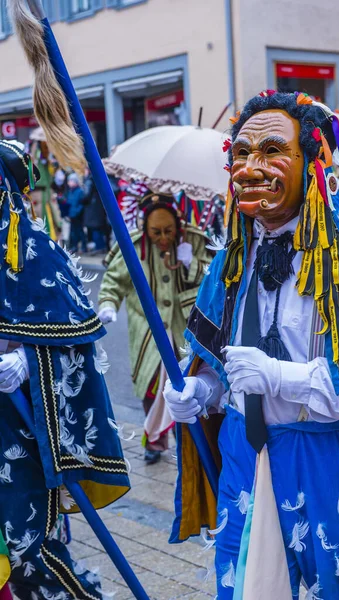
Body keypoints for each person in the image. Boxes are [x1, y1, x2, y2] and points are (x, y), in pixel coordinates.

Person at [164, 91, 339, 599]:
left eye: (272, 151)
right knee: (245, 586)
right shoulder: (228, 262)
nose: (252, 167)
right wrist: (199, 393)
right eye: (242, 152)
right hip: (244, 460)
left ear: (311, 163)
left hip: (329, 464)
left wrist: (283, 378)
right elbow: (215, 368)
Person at [0, 140, 130, 598]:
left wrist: (24, 362)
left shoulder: (36, 250)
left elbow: (76, 342)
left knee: (27, 551)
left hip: (16, 432)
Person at [98, 193, 214, 464]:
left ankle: (188, 442)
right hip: (147, 330)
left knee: (188, 387)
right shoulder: (132, 245)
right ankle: (154, 441)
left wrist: (192, 263)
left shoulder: (196, 239)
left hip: (183, 327)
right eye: (156, 232)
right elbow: (113, 280)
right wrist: (107, 303)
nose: (163, 237)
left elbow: (214, 280)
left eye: (168, 231)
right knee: (152, 388)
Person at [82, 168, 108, 253]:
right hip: (98, 207)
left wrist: (81, 200)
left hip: (92, 208)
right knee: (98, 229)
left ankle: (99, 247)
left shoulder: (89, 180)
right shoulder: (98, 179)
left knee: (94, 228)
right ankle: (102, 246)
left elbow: (86, 195)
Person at [66, 172, 86, 253]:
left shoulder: (80, 191)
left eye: (71, 181)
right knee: (73, 232)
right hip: (71, 215)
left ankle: (83, 247)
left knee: (80, 231)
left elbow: (81, 204)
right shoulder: (70, 191)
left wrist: (77, 212)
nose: (69, 183)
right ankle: (74, 246)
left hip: (77, 215)